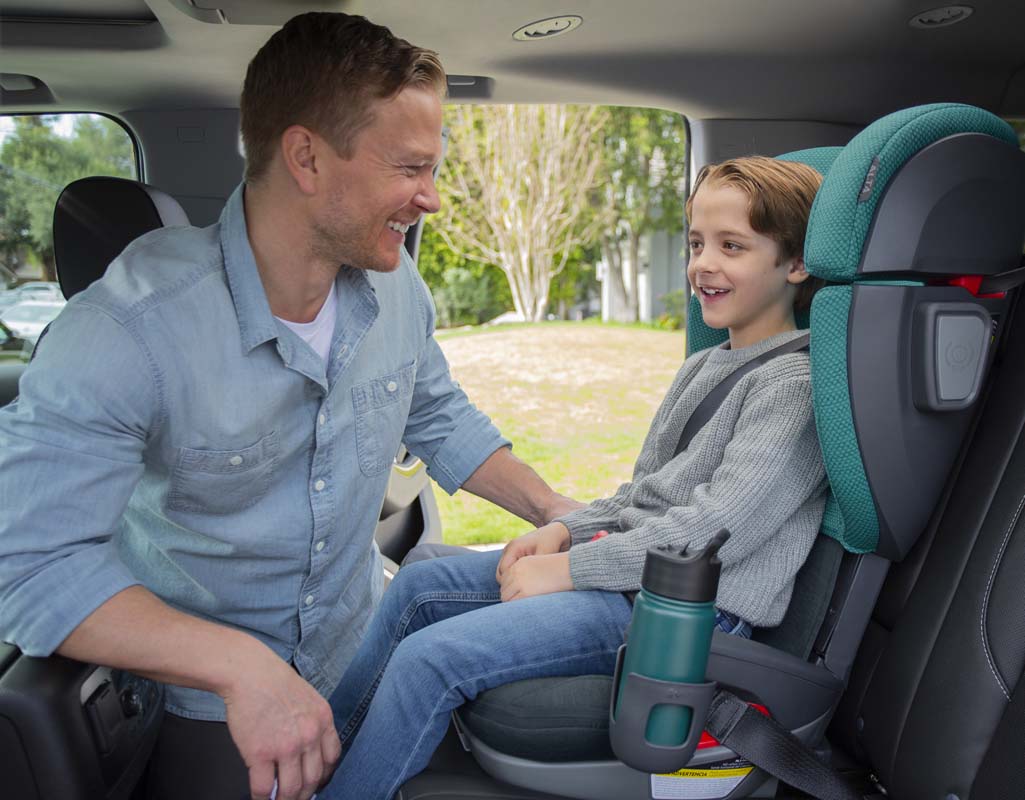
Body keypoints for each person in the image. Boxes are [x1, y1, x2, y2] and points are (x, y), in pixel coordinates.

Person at [0, 13, 581, 800]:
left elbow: (437, 413)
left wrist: (561, 510)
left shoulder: (395, 287)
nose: (432, 198)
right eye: (410, 167)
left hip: (360, 651)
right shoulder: (128, 331)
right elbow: (31, 566)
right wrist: (240, 668)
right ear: (306, 156)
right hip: (205, 704)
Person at [318, 156, 830, 800]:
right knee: (419, 583)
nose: (703, 264)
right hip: (635, 584)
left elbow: (707, 532)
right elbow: (643, 498)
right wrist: (564, 529)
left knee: (431, 659)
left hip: (686, 616)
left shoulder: (795, 388)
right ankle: (321, 762)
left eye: (733, 247)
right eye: (697, 243)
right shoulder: (706, 366)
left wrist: (569, 571)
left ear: (795, 264)